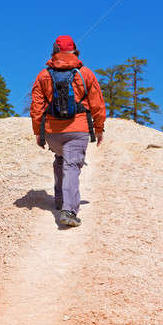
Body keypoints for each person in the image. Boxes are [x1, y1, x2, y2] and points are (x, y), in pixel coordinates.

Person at [30, 35, 106, 227]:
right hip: (78, 128)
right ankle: (68, 210)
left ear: (54, 50)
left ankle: (59, 198)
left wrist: (38, 133)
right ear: (74, 51)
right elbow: (97, 104)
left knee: (61, 158)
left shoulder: (43, 75)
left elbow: (36, 107)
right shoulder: (85, 73)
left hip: (52, 132)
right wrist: (99, 128)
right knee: (72, 165)